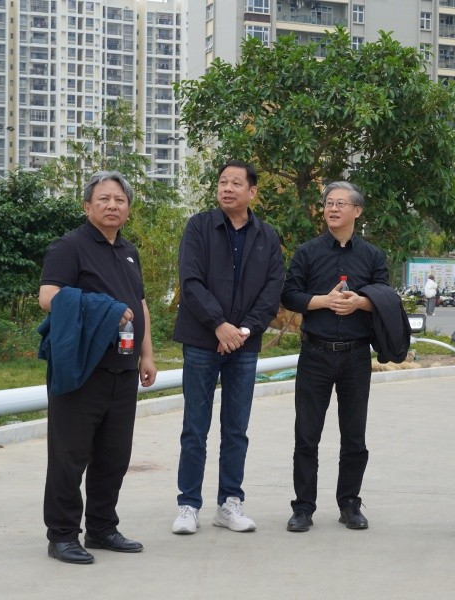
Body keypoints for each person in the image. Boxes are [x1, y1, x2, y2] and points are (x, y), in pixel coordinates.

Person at [38, 171, 157, 565]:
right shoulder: (70, 246)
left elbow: (140, 304)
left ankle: (103, 528)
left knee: (113, 456)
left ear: (128, 209)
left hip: (123, 369)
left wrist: (147, 355)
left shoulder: (128, 250)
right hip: (81, 369)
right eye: (103, 199)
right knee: (69, 457)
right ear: (87, 205)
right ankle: (62, 535)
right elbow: (48, 296)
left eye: (119, 200)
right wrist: (104, 308)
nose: (112, 206)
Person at [171, 160, 285, 535]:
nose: (227, 188)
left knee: (236, 429)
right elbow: (190, 281)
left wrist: (243, 330)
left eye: (236, 183)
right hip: (202, 340)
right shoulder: (199, 227)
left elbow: (272, 290)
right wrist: (219, 325)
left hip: (244, 345)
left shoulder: (267, 236)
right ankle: (188, 504)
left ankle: (229, 503)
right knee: (195, 427)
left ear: (252, 192)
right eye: (223, 182)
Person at [281, 181, 389, 533]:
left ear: (357, 211)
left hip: (356, 356)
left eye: (341, 203)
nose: (333, 209)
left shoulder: (372, 256)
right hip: (315, 353)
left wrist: (361, 302)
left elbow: (385, 296)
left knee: (354, 436)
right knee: (306, 435)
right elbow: (289, 295)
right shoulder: (308, 253)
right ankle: (303, 507)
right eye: (329, 203)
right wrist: (323, 301)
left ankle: (350, 504)